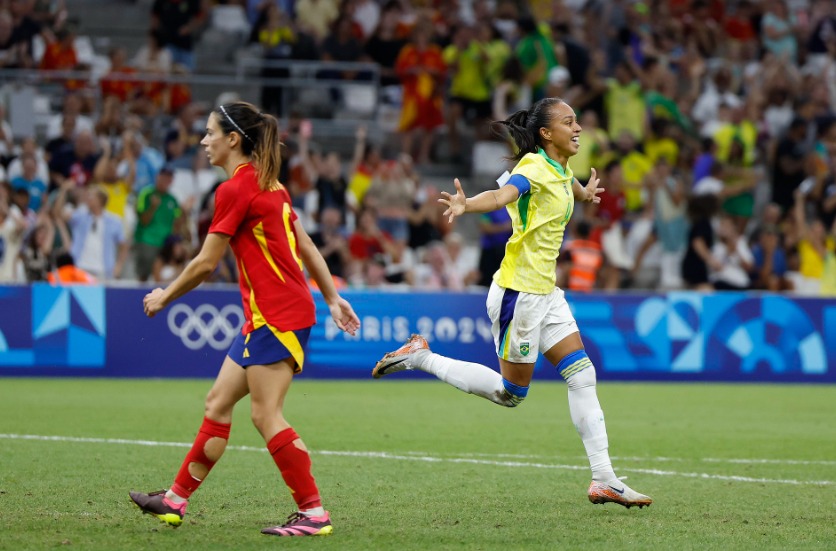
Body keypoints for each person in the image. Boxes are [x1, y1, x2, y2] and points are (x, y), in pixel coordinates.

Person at [372, 97, 653, 509]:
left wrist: (584, 192)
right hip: (518, 295)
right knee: (511, 395)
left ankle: (604, 479)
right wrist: (467, 205)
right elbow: (503, 194)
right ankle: (420, 356)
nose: (578, 128)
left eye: (578, 121)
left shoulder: (558, 167)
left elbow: (563, 182)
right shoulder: (532, 168)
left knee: (582, 375)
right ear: (545, 133)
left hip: (547, 294)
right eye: (569, 122)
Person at [129, 101, 360, 537]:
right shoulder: (269, 184)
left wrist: (164, 297)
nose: (203, 141)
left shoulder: (236, 189)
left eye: (210, 133)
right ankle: (175, 500)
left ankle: (314, 513)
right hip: (269, 318)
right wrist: (331, 297)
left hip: (278, 317)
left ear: (233, 139)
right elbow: (306, 243)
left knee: (265, 414)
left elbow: (204, 264)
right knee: (217, 403)